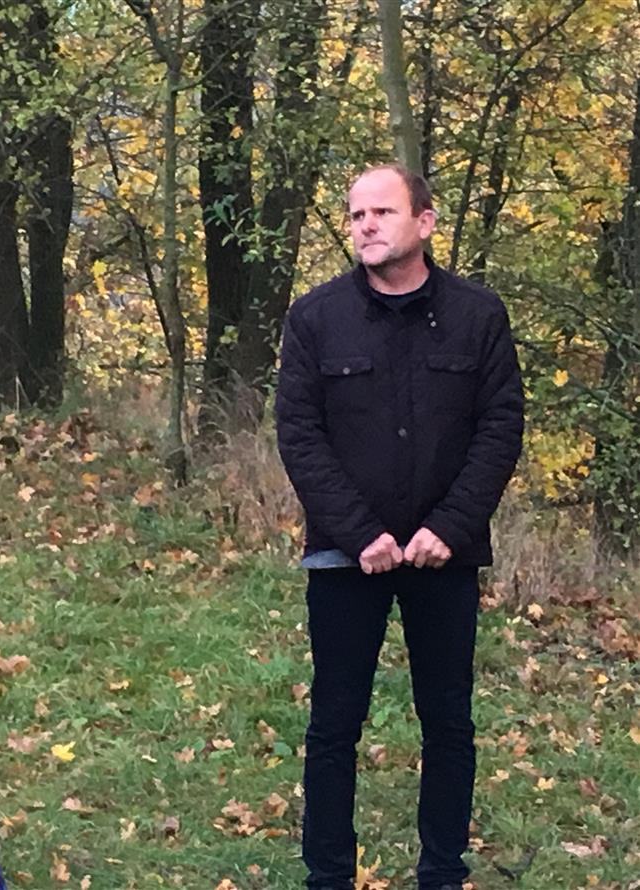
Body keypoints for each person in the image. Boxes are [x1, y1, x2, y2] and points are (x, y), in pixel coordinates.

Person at [274, 163, 524, 890]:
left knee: (448, 724)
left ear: (425, 221)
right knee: (334, 725)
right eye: (357, 216)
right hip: (344, 556)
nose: (367, 226)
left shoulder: (478, 316)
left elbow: (500, 427)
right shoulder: (316, 318)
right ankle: (328, 877)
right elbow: (300, 436)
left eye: (382, 212)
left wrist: (450, 526)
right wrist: (359, 534)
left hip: (445, 556)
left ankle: (442, 872)